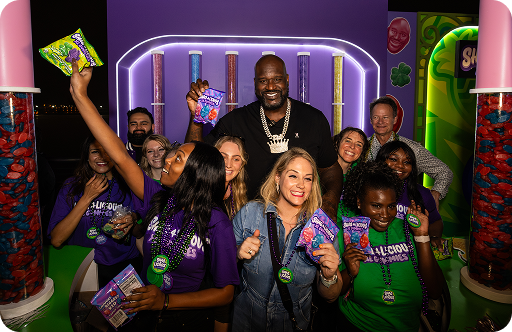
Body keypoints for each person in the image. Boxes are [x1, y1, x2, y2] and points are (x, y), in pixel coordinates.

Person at [69, 60, 239, 330]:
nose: (168, 160)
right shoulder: (157, 197)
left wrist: (167, 302)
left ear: (195, 173)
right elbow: (118, 154)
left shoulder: (216, 222)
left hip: (186, 321)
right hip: (145, 314)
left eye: (178, 158)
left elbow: (226, 293)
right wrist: (80, 95)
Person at [185, 54, 343, 221]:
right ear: (255, 84)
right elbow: (195, 160)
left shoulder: (314, 120)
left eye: (277, 79)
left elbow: (330, 169)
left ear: (287, 80)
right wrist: (197, 119)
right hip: (248, 224)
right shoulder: (236, 121)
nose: (270, 86)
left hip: (301, 224)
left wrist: (330, 201)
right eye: (263, 81)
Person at [232, 148, 341, 331]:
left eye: (308, 178)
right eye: (293, 176)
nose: (301, 185)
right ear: (277, 177)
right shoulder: (250, 214)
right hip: (246, 322)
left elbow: (330, 296)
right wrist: (237, 252)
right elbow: (220, 267)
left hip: (293, 324)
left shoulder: (321, 231)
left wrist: (329, 276)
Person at [326, 161, 443, 332]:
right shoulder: (348, 233)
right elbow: (333, 293)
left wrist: (421, 235)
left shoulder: (407, 228)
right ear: (359, 202)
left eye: (391, 206)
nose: (385, 215)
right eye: (376, 206)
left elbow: (435, 290)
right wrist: (350, 272)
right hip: (358, 325)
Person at [48, 135, 140, 288]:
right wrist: (87, 197)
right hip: (80, 267)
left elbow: (140, 231)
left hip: (121, 266)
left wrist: (134, 218)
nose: (102, 157)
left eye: (107, 151)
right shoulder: (71, 186)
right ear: (87, 156)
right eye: (95, 151)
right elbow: (57, 239)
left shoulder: (129, 185)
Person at [364, 96, 453, 210]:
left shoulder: (412, 148)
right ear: (371, 120)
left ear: (395, 119)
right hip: (368, 210)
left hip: (402, 211)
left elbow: (444, 172)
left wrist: (436, 193)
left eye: (385, 117)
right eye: (376, 117)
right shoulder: (361, 147)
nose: (380, 122)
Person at [375, 141, 444, 247]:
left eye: (407, 162)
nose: (400, 165)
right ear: (381, 160)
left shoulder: (422, 193)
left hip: (410, 254)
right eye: (393, 159)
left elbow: (435, 221)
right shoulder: (368, 189)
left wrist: (434, 237)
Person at [214, 135, 248, 220]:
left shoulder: (238, 195)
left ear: (241, 165)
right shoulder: (199, 191)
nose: (228, 165)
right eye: (223, 157)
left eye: (236, 159)